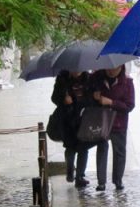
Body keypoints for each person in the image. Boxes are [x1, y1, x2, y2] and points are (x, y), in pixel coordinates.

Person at [91, 64, 135, 192]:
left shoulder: (127, 82)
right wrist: (95, 96)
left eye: (114, 68)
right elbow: (89, 94)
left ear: (121, 67)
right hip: (102, 121)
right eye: (109, 67)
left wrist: (111, 103)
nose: (110, 70)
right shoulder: (97, 78)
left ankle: (118, 180)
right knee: (102, 149)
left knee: (119, 151)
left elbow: (130, 105)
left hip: (119, 122)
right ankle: (101, 182)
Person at [50, 69, 94, 188]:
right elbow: (54, 98)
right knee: (70, 147)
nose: (76, 70)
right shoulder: (62, 80)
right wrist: (64, 100)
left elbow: (92, 99)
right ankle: (70, 169)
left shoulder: (89, 79)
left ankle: (80, 176)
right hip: (67, 119)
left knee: (83, 148)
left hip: (84, 119)